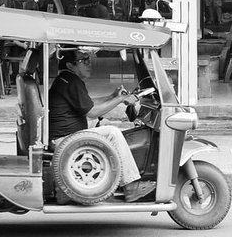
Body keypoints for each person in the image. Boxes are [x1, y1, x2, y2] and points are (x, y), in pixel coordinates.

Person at [48, 48, 154, 203]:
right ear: (70, 65)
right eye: (83, 61)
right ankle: (131, 186)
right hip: (64, 140)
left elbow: (88, 104)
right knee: (112, 132)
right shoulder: (70, 81)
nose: (89, 64)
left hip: (68, 135)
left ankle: (116, 177)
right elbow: (92, 112)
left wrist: (112, 96)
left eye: (89, 60)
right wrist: (120, 100)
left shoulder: (67, 79)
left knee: (106, 124)